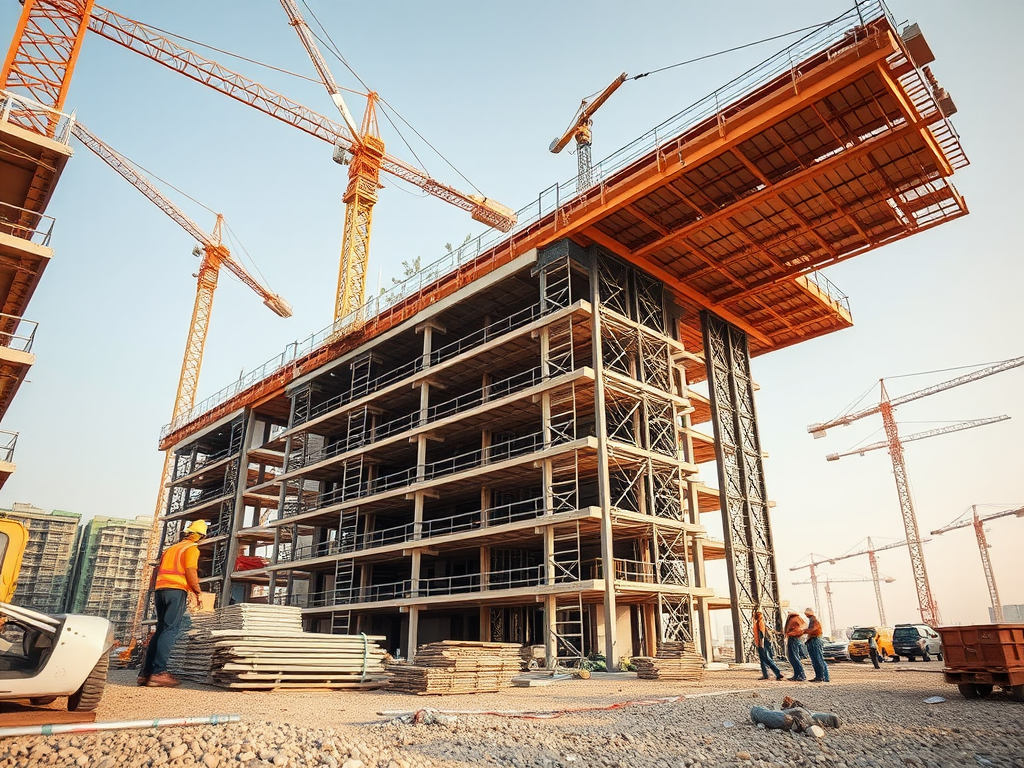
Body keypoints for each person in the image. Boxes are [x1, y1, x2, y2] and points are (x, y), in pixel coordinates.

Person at [139, 520, 208, 687]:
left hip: (161, 590)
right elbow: (190, 571)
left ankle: (145, 674)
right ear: (200, 536)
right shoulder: (191, 549)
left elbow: (156, 571)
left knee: (161, 629)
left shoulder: (171, 549)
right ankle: (159, 673)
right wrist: (198, 591)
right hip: (175, 591)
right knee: (170, 629)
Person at [753, 609, 784, 681]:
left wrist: (761, 644)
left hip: (763, 644)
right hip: (763, 643)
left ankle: (777, 672)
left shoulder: (760, 623)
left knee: (767, 659)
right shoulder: (762, 622)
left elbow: (761, 634)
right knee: (763, 660)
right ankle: (765, 674)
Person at [804, 607, 830, 683]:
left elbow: (814, 630)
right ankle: (819, 677)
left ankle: (825, 677)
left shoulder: (814, 621)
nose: (805, 615)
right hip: (813, 640)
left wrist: (804, 631)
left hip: (815, 640)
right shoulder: (811, 620)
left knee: (818, 659)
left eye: (806, 613)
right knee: (815, 660)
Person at [784, 611, 808, 681]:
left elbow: (800, 629)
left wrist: (791, 633)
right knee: (792, 657)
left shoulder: (794, 619)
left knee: (794, 657)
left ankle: (801, 675)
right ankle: (797, 675)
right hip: (794, 639)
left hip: (793, 639)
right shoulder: (796, 619)